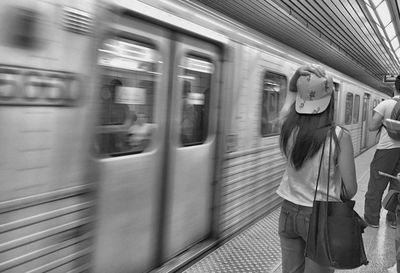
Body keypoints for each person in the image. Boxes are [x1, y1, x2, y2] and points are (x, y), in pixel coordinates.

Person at [277, 64, 358, 273]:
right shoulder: (339, 136)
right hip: (320, 216)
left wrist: (296, 77)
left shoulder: (287, 125)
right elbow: (350, 189)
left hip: (287, 213)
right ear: (330, 101)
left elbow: (290, 96)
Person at [364, 75, 400, 229]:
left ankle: (372, 219)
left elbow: (372, 126)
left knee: (376, 185)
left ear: (395, 87)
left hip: (386, 150)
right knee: (397, 185)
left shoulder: (387, 104)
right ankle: (393, 219)